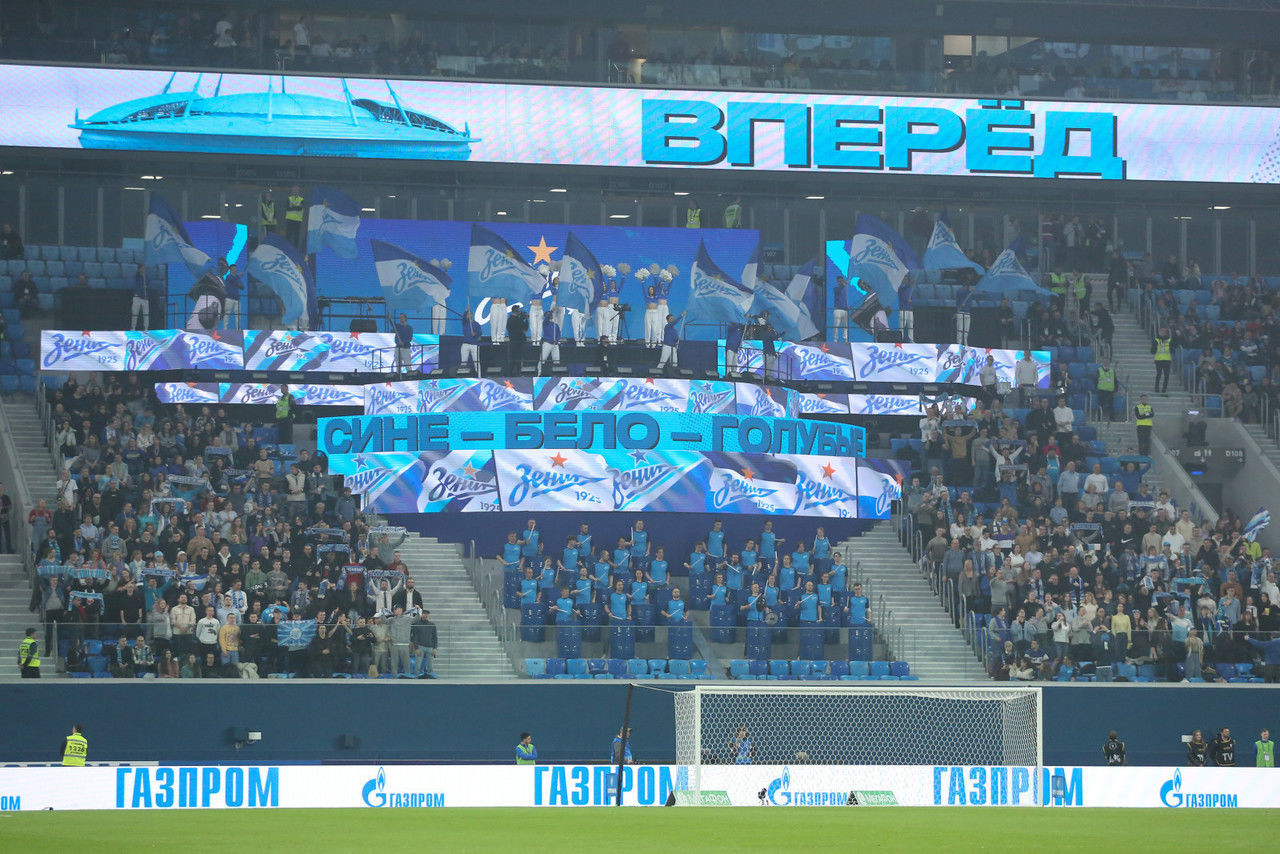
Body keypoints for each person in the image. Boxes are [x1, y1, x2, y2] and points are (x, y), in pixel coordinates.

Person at [1151, 326, 1173, 393]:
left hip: (1167, 360)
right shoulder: (1156, 340)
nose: (1162, 332)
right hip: (1159, 360)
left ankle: (1164, 390)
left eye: (1164, 331)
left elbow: (1172, 350)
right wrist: (1155, 346)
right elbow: (1152, 351)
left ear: (1166, 333)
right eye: (1161, 331)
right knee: (1159, 374)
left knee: (1166, 376)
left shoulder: (1169, 340)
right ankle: (1156, 388)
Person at [460, 309, 482, 373]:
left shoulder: (476, 324)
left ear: (472, 315)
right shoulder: (465, 323)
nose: (469, 315)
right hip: (465, 344)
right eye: (468, 314)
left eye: (470, 314)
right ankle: (462, 375)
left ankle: (479, 376)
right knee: (463, 362)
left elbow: (480, 333)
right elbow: (463, 318)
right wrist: (466, 310)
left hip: (474, 345)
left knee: (476, 361)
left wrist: (475, 334)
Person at [222, 263, 242, 330]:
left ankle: (238, 328)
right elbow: (232, 279)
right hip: (229, 298)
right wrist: (238, 276)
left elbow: (242, 287)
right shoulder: (228, 277)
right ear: (230, 270)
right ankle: (225, 328)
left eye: (235, 269)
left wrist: (239, 282)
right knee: (227, 313)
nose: (234, 270)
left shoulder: (237, 278)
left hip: (237, 299)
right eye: (233, 269)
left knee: (238, 315)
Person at [131, 263, 150, 330]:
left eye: (145, 268)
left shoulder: (147, 277)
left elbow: (148, 284)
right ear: (140, 269)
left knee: (146, 314)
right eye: (143, 268)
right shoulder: (137, 276)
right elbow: (137, 285)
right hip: (137, 297)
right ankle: (133, 328)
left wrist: (145, 285)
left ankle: (146, 328)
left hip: (145, 297)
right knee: (135, 314)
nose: (144, 269)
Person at [831, 276, 849, 344]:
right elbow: (840, 289)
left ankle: (846, 339)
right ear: (837, 282)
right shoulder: (836, 289)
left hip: (845, 310)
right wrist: (844, 284)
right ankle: (835, 339)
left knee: (845, 326)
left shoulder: (845, 288)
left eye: (841, 281)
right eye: (839, 281)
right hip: (837, 309)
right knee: (836, 325)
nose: (840, 282)